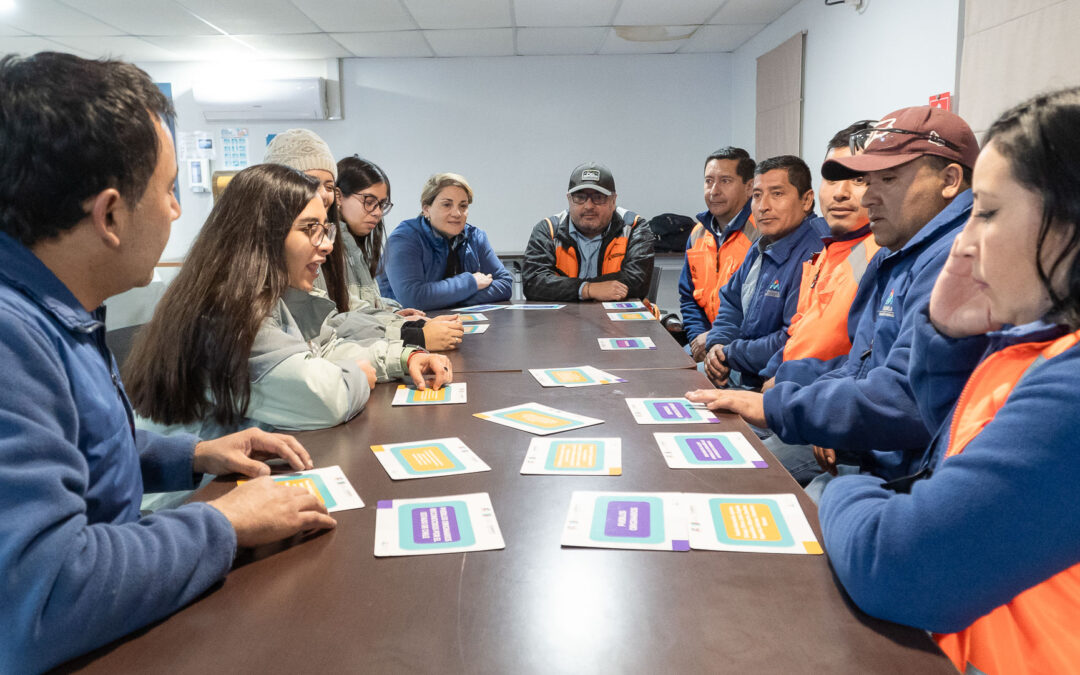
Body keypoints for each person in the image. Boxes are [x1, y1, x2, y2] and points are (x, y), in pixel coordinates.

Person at [0, 52, 335, 672]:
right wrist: (223, 523)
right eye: (167, 190)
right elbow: (39, 602)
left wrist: (192, 456)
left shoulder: (60, 310)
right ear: (108, 215)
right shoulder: (10, 342)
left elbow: (77, 448)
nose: (178, 211)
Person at [821, 86, 1080, 675]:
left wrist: (843, 489)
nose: (964, 242)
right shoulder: (1043, 343)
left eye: (986, 213)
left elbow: (900, 567)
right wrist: (944, 333)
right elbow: (953, 441)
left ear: (1068, 221)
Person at [688, 106, 980, 497]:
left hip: (904, 475)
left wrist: (786, 406)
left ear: (949, 180)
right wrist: (802, 404)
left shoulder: (958, 260)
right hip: (859, 442)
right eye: (866, 180)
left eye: (885, 179)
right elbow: (859, 362)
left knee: (735, 479)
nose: (866, 196)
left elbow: (908, 399)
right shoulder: (894, 254)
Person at [124, 163, 453, 441]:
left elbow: (324, 349)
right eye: (310, 229)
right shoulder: (228, 309)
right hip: (194, 498)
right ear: (262, 234)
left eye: (324, 230)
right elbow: (324, 397)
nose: (325, 245)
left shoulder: (271, 296)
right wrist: (357, 376)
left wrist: (402, 356)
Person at [263, 132, 463, 351]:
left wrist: (394, 317)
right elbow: (328, 330)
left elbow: (349, 310)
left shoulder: (342, 243)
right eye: (369, 201)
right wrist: (408, 335)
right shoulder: (272, 263)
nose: (377, 213)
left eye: (328, 186)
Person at [759, 121, 879, 381]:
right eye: (832, 179)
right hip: (781, 389)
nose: (840, 193)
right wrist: (772, 375)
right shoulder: (826, 250)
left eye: (858, 179)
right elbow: (798, 331)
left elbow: (867, 363)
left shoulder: (881, 256)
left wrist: (784, 381)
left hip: (816, 401)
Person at [701, 156, 828, 389]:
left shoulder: (816, 254)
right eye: (757, 195)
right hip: (740, 367)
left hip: (775, 383)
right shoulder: (762, 245)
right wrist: (717, 345)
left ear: (807, 200)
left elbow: (789, 338)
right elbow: (732, 303)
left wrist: (729, 353)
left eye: (777, 194)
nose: (763, 206)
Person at [378, 172, 512, 311]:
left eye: (463, 206)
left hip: (452, 322)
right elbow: (413, 299)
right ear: (426, 209)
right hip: (400, 326)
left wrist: (443, 300)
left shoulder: (476, 236)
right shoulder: (404, 239)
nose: (457, 213)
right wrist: (471, 282)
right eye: (447, 205)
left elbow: (505, 284)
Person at [522, 162, 654, 302]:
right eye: (580, 197)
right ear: (569, 199)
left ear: (613, 200)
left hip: (617, 319)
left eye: (598, 197)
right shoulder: (548, 230)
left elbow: (637, 282)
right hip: (562, 320)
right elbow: (533, 283)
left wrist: (565, 288)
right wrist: (587, 289)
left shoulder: (634, 228)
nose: (589, 206)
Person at [678, 148, 758, 362]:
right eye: (708, 181)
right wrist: (697, 338)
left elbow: (760, 313)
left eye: (725, 181)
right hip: (703, 343)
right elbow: (689, 298)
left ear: (749, 187)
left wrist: (715, 339)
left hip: (741, 347)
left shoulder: (762, 234)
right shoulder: (697, 234)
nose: (714, 191)